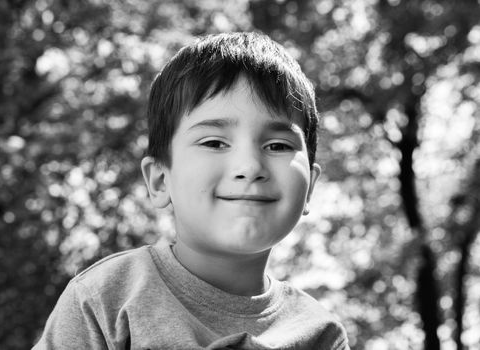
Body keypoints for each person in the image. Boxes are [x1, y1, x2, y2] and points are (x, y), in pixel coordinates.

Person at [33, 32, 350, 349]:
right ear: (159, 181)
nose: (250, 166)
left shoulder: (321, 334)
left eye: (277, 145)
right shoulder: (105, 300)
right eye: (214, 142)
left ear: (310, 186)